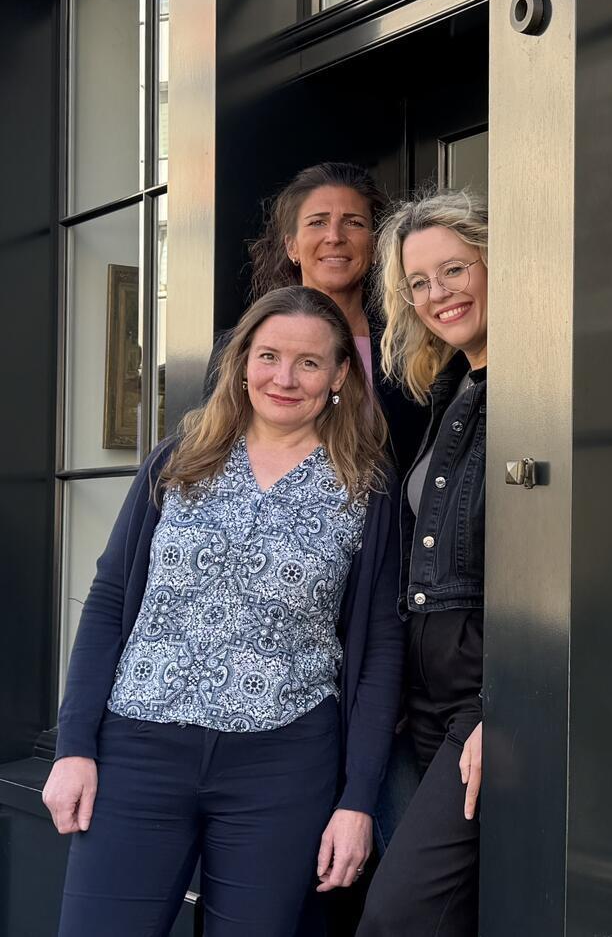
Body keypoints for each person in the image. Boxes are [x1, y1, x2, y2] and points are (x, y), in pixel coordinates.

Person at [44, 286, 404, 937]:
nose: (284, 378)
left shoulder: (365, 485)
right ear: (242, 361)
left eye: (309, 362)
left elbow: (380, 651)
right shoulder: (180, 458)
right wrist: (75, 746)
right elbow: (104, 603)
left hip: (284, 764)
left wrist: (357, 799)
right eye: (268, 355)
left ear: (341, 374)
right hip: (138, 750)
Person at [356, 190, 489, 937]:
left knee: (398, 916)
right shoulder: (449, 391)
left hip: (481, 707)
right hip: (421, 708)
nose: (438, 294)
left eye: (455, 269)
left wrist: (504, 712)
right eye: (420, 281)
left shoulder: (532, 397)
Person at [247, 162, 427, 475]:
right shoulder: (244, 346)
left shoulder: (410, 348)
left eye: (353, 223)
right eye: (317, 222)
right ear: (292, 246)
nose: (334, 236)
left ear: (373, 246)